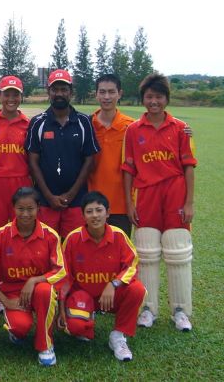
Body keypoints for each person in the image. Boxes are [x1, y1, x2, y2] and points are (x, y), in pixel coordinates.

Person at [122, 73, 197, 332]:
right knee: (146, 253)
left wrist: (189, 202)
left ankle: (181, 311)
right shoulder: (133, 130)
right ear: (143, 98)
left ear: (166, 99)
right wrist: (129, 204)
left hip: (175, 192)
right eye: (149, 97)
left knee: (178, 253)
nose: (154, 101)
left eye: (158, 97)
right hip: (146, 195)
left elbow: (188, 166)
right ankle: (148, 308)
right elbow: (128, 170)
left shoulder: (180, 128)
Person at [58, 191, 145, 362]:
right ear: (83, 215)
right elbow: (64, 277)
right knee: (77, 328)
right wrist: (61, 311)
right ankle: (86, 321)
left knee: (137, 290)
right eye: (89, 211)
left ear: (108, 213)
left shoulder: (119, 236)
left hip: (110, 296)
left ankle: (118, 335)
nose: (95, 215)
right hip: (83, 295)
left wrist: (113, 284)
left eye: (99, 210)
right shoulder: (73, 239)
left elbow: (132, 264)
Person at [0, 187, 65, 366]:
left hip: (37, 289)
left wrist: (34, 280)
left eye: (30, 209)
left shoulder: (50, 235)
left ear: (38, 209)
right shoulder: (0, 236)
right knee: (20, 328)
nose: (26, 214)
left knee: (46, 290)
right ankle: (16, 331)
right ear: (13, 209)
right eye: (21, 209)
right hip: (13, 293)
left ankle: (45, 345)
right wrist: (5, 300)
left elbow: (60, 270)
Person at [25, 69, 100, 238]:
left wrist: (71, 194)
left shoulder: (84, 122)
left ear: (71, 92)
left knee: (74, 249)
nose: (59, 94)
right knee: (45, 249)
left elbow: (89, 161)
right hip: (45, 201)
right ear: (48, 91)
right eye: (55, 89)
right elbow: (33, 162)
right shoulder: (38, 123)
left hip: (76, 201)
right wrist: (48, 196)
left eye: (64, 90)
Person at [0, 76, 32, 242]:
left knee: (24, 230)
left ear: (21, 97)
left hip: (22, 182)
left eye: (15, 95)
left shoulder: (29, 124)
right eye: (6, 94)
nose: (11, 99)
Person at [88, 74, 135, 236]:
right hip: (91, 204)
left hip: (121, 204)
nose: (106, 97)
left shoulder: (131, 126)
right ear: (96, 94)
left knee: (120, 255)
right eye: (102, 92)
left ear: (119, 93)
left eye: (111, 92)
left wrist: (182, 129)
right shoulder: (87, 124)